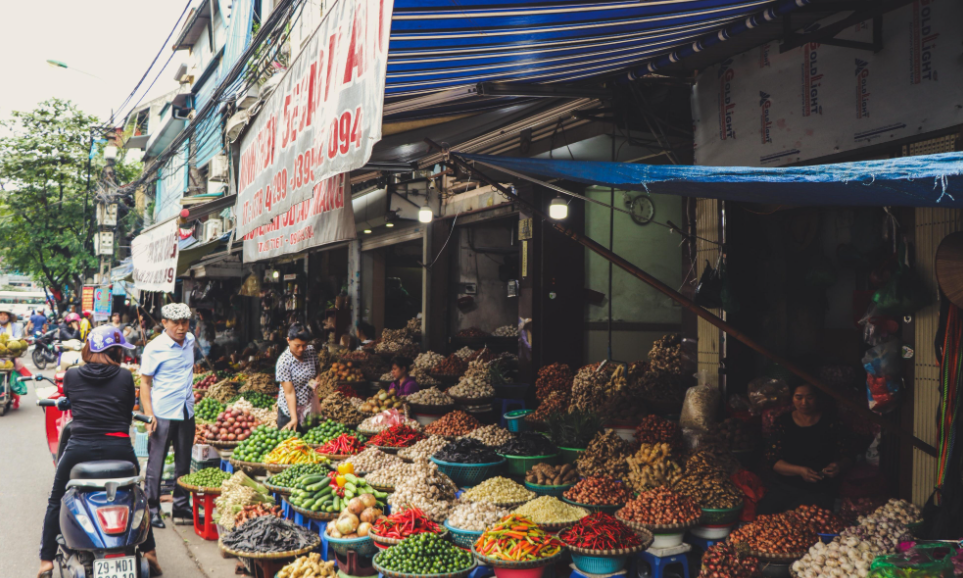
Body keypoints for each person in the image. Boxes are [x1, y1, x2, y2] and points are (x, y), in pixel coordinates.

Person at [38, 325, 162, 578]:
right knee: (138, 495)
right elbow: (128, 408)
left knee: (55, 499)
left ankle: (46, 561)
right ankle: (150, 553)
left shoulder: (71, 376)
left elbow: (70, 400)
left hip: (79, 448)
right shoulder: (125, 377)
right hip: (119, 449)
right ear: (115, 351)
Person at [140, 303, 195, 529]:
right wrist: (148, 415)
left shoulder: (190, 341)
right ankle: (151, 509)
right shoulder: (154, 348)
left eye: (185, 322)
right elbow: (145, 382)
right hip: (162, 412)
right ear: (164, 323)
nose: (181, 328)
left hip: (186, 410)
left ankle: (181, 505)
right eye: (176, 323)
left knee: (184, 462)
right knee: (156, 464)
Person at [759, 383, 851, 514]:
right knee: (764, 514)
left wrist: (838, 466)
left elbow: (847, 455)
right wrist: (800, 471)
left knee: (801, 519)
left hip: (820, 489)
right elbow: (773, 460)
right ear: (792, 399)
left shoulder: (831, 422)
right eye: (798, 397)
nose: (804, 402)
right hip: (785, 486)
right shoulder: (782, 422)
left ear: (817, 398)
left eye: (809, 397)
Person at [276, 323, 320, 432]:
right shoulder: (284, 362)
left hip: (308, 410)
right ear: (288, 340)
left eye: (304, 345)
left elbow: (317, 371)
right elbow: (289, 393)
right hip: (289, 412)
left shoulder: (311, 351)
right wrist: (294, 418)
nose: (301, 349)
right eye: (297, 345)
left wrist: (314, 384)